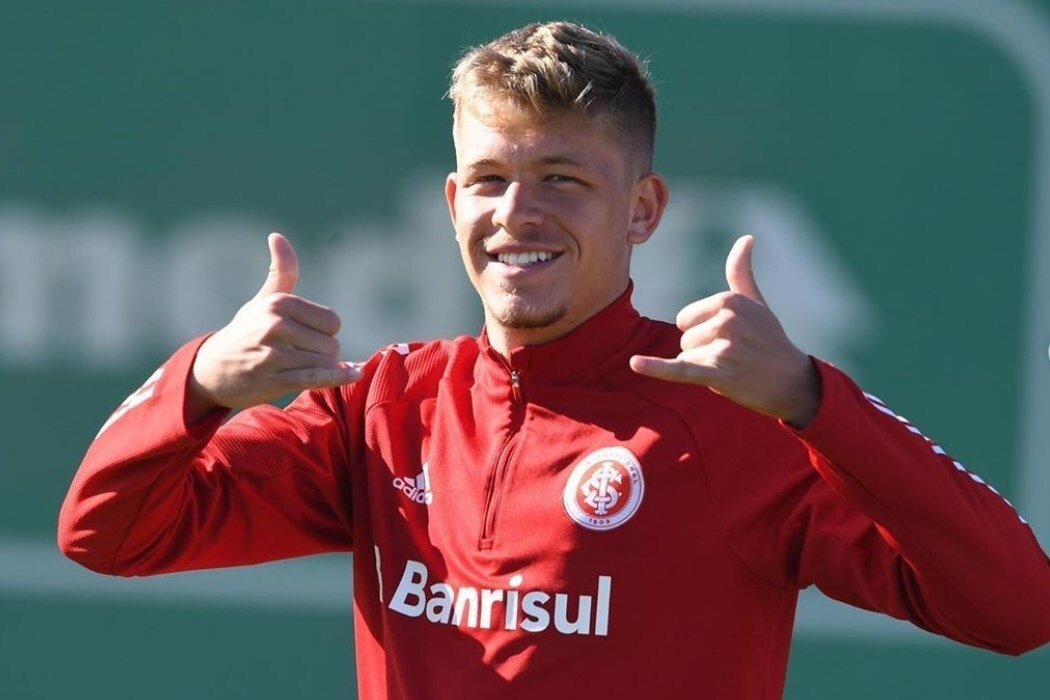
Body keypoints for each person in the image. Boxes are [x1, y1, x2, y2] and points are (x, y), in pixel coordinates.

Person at [59, 20, 1049, 699]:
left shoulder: (735, 420)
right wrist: (200, 382)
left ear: (643, 211)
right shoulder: (383, 406)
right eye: (489, 179)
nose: (517, 214)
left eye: (563, 179)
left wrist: (810, 397)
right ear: (453, 204)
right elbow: (106, 533)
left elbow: (1018, 608)